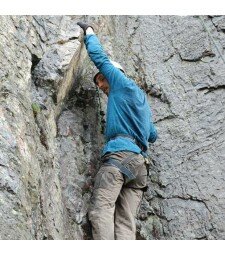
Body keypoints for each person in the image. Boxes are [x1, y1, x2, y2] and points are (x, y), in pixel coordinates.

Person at [77, 22, 158, 240]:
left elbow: (100, 58)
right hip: (139, 168)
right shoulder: (141, 101)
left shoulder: (121, 83)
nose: (100, 85)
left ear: (115, 74)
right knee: (125, 221)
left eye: (102, 78)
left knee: (101, 209)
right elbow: (152, 135)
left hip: (119, 156)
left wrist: (89, 33)